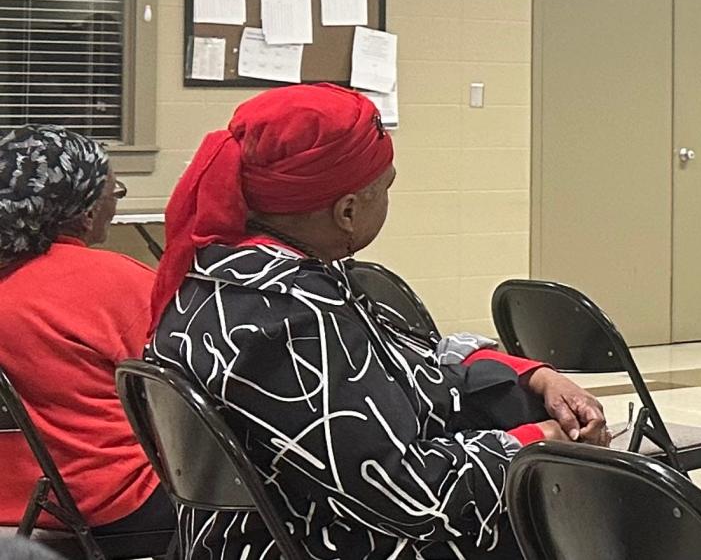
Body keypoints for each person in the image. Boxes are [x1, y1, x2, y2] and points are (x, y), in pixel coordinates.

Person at [146, 83, 607, 560]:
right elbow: (410, 497)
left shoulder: (219, 274)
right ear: (347, 211)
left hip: (242, 533)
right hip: (313, 541)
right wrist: (536, 445)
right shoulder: (296, 315)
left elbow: (411, 354)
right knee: (591, 512)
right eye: (385, 187)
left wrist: (536, 375)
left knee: (510, 406)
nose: (389, 198)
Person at [0, 126, 173, 539]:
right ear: (87, 211)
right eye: (115, 192)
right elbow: (183, 395)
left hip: (15, 501)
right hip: (106, 503)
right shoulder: (114, 282)